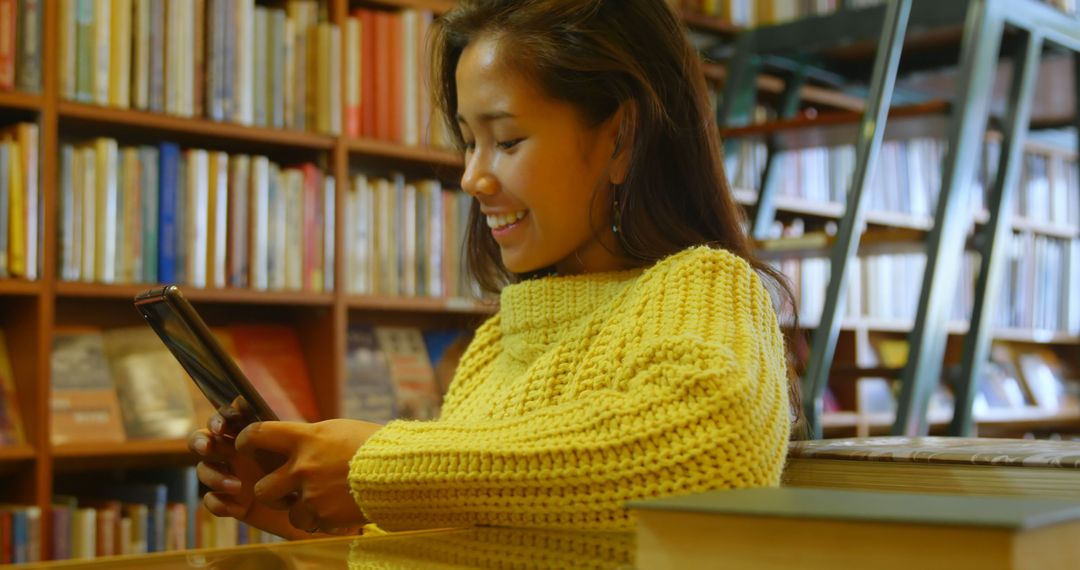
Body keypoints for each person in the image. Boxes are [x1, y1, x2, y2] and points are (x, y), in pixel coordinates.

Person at [188, 0, 797, 538]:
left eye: (505, 141)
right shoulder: (493, 345)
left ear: (622, 139)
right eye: (467, 141)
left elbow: (715, 451)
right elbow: (484, 533)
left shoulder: (703, 283)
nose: (472, 177)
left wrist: (375, 465)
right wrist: (305, 512)